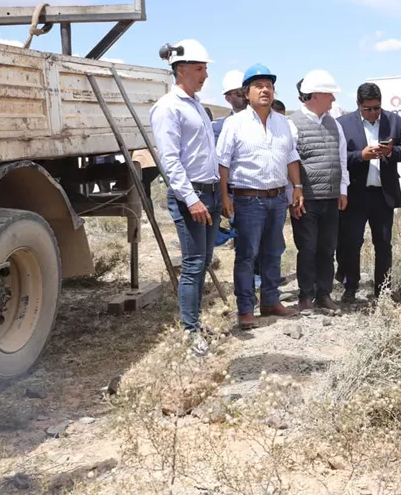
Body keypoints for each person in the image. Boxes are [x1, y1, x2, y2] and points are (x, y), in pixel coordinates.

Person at [149, 39, 221, 356]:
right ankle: (190, 333)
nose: (204, 74)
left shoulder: (196, 105)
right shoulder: (168, 108)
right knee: (193, 265)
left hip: (210, 192)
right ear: (181, 70)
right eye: (199, 68)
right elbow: (170, 160)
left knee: (204, 261)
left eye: (205, 68)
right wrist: (191, 199)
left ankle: (194, 324)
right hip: (191, 195)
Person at [217, 63, 302, 327]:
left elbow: (291, 156)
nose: (265, 90)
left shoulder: (283, 123)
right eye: (259, 86)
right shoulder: (234, 123)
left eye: (269, 86)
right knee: (247, 254)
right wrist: (224, 197)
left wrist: (297, 188)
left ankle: (270, 301)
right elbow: (222, 163)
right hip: (247, 198)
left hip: (277, 197)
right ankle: (245, 309)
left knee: (274, 251)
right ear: (246, 93)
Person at [336, 82, 401, 301]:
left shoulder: (395, 121)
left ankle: (383, 289)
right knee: (351, 244)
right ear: (358, 104)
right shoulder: (342, 124)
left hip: (383, 195)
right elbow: (338, 158)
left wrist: (391, 152)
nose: (372, 113)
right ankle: (350, 287)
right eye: (367, 109)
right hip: (354, 195)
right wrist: (360, 155)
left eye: (376, 108)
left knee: (383, 243)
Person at [288, 70, 349, 314]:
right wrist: (293, 193)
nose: (333, 100)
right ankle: (305, 295)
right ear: (316, 95)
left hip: (331, 198)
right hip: (307, 200)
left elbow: (341, 158)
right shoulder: (292, 124)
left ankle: (324, 294)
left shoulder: (334, 123)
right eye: (329, 95)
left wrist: (342, 189)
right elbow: (288, 162)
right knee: (307, 248)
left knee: (327, 249)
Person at [212, 70, 247, 143]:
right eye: (238, 93)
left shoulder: (264, 122)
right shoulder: (219, 128)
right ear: (228, 99)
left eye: (246, 91)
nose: (244, 96)